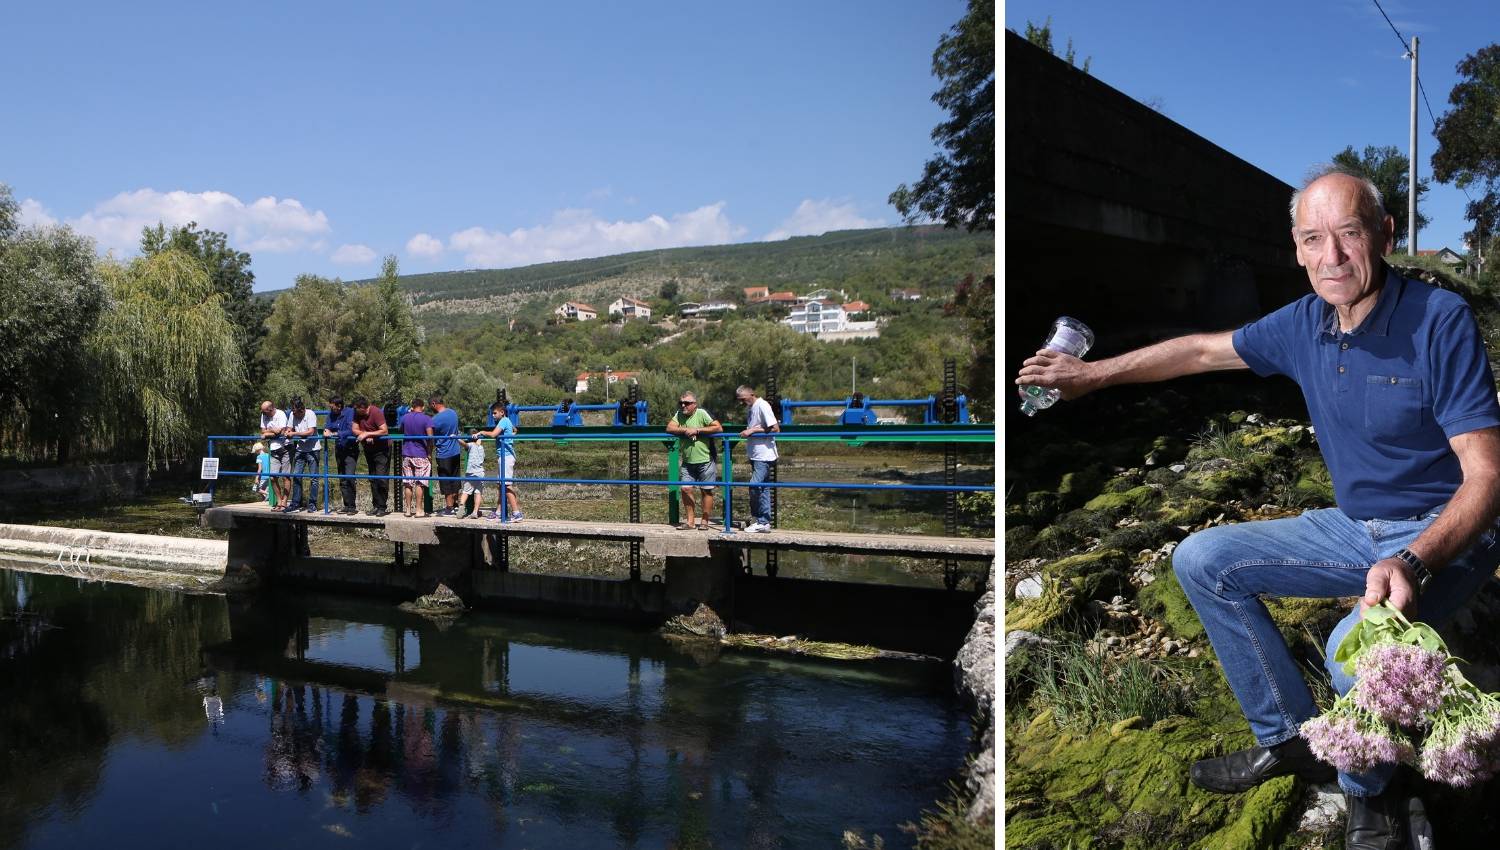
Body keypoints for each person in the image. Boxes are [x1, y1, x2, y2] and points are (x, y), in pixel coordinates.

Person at [1014, 167, 1500, 850]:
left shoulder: (1438, 320)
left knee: (1349, 652)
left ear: (1385, 235)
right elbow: (1201, 350)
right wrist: (1091, 376)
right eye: (1313, 239)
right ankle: (1294, 739)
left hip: (1443, 533)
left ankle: (1376, 792)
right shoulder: (1303, 323)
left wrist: (1416, 562)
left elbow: (1486, 476)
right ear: (1297, 250)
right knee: (1202, 559)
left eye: (1349, 235)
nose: (1332, 257)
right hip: (1353, 530)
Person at [665, 391, 722, 530]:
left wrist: (697, 430)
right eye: (681, 403)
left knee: (706, 491)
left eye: (687, 403)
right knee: (685, 489)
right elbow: (669, 428)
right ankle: (690, 521)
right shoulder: (679, 414)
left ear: (695, 405)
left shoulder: (702, 413)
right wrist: (685, 430)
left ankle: (704, 521)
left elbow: (718, 428)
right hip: (687, 461)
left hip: (706, 459)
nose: (683, 405)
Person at [736, 384, 780, 533]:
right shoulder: (752, 407)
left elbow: (775, 428)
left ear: (751, 394)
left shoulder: (762, 405)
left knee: (754, 486)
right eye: (739, 400)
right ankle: (763, 521)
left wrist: (753, 430)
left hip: (764, 455)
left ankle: (760, 520)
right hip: (756, 454)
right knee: (763, 487)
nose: (741, 402)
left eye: (743, 399)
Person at [472, 401, 522, 521]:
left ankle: (516, 513)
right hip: (504, 456)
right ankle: (498, 512)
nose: (493, 416)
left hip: (506, 457)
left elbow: (494, 434)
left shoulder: (504, 421)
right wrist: (510, 435)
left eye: (494, 413)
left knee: (506, 485)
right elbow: (515, 430)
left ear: (502, 412)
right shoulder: (507, 421)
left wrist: (482, 432)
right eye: (492, 413)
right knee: (501, 486)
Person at [352, 396, 390, 516]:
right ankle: (376, 505)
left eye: (357, 409)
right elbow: (354, 429)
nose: (356, 412)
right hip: (369, 450)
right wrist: (364, 435)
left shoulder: (376, 412)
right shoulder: (357, 414)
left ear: (363, 407)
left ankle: (382, 507)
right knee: (373, 478)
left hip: (382, 450)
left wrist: (368, 434)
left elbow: (384, 430)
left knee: (381, 477)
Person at [322, 396, 359, 515]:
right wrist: (326, 431)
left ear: (339, 406)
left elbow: (351, 430)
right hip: (339, 449)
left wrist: (335, 433)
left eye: (333, 407)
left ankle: (352, 506)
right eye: (330, 407)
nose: (331, 409)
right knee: (342, 478)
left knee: (349, 477)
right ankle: (346, 505)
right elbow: (328, 426)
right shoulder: (331, 414)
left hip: (350, 449)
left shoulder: (349, 413)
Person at [399, 398, 434, 518]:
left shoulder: (405, 417)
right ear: (423, 407)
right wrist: (429, 452)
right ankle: (419, 510)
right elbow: (430, 437)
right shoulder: (426, 419)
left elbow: (401, 429)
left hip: (407, 454)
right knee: (420, 483)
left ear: (412, 406)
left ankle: (408, 510)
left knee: (407, 483)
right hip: (420, 453)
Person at [285, 397, 322, 512]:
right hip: (300, 449)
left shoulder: (310, 414)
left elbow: (310, 432)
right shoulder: (292, 414)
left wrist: (294, 433)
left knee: (314, 478)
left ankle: (312, 504)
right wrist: (287, 432)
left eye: (295, 411)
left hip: (313, 449)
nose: (293, 413)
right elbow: (289, 429)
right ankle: (296, 503)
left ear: (301, 410)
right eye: (292, 411)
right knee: (296, 476)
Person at [428, 395, 462, 517]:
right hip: (456, 451)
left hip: (443, 454)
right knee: (455, 478)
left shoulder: (435, 419)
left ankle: (449, 508)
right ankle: (456, 505)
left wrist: (429, 453)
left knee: (445, 480)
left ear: (433, 404)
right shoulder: (453, 413)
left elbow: (430, 437)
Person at [259, 400, 293, 511]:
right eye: (263, 412)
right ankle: (279, 500)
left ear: (271, 409)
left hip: (285, 448)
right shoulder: (263, 415)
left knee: (285, 476)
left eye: (265, 412)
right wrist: (273, 430)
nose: (263, 414)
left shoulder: (281, 414)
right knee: (272, 477)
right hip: (273, 449)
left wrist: (268, 433)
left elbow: (282, 431)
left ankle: (284, 502)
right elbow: (263, 431)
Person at [457, 435, 486, 519]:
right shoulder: (481, 448)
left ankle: (461, 506)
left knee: (466, 491)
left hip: (471, 473)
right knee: (478, 492)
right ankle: (475, 512)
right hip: (480, 472)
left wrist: (456, 438)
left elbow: (464, 444)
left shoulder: (471, 445)